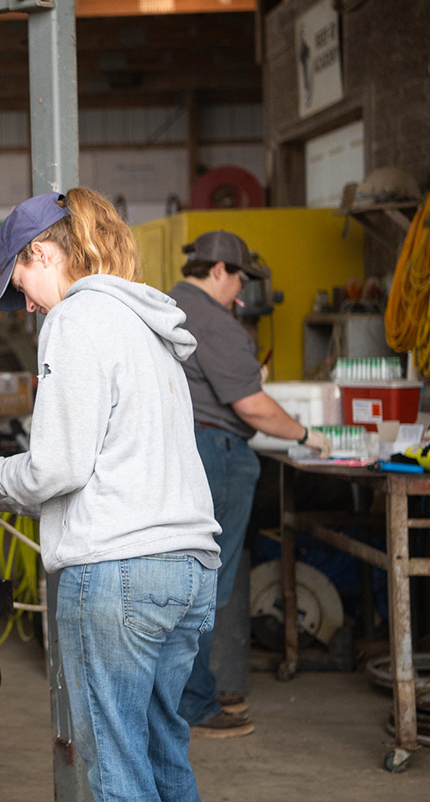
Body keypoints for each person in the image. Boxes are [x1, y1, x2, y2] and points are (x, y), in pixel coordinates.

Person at [0, 189, 221, 802]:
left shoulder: (76, 319)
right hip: (190, 568)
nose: (25, 300)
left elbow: (58, 467)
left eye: (21, 277)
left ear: (46, 252)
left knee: (113, 769)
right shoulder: (149, 326)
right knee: (162, 753)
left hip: (119, 572)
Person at [168, 230, 331, 739]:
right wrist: (310, 435)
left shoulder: (167, 306)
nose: (242, 288)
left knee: (184, 579)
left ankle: (183, 695)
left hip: (185, 449)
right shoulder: (214, 320)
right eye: (240, 276)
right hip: (216, 453)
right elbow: (252, 407)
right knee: (206, 585)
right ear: (218, 270)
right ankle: (193, 700)